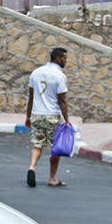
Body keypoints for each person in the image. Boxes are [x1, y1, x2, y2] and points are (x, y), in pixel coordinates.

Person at [25, 47, 71, 188]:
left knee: (37, 145)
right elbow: (62, 100)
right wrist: (67, 120)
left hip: (37, 115)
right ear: (58, 59)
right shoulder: (59, 76)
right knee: (55, 149)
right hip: (53, 116)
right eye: (64, 58)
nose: (65, 61)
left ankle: (32, 167)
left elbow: (31, 97)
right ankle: (52, 178)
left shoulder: (36, 73)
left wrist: (28, 116)